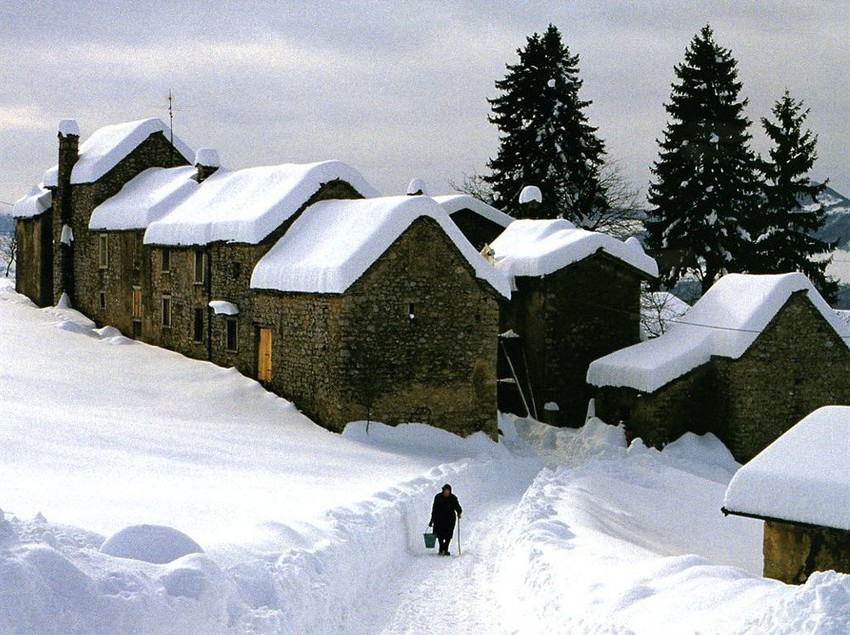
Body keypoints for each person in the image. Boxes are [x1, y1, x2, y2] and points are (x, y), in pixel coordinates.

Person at [429, 483, 462, 556]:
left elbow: (458, 507)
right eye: (445, 492)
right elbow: (434, 509)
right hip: (439, 519)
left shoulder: (453, 498)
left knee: (448, 535)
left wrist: (459, 512)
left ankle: (446, 549)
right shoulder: (438, 497)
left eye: (448, 492)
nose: (446, 493)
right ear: (443, 491)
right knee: (440, 534)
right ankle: (441, 549)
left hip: (450, 520)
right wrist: (432, 520)